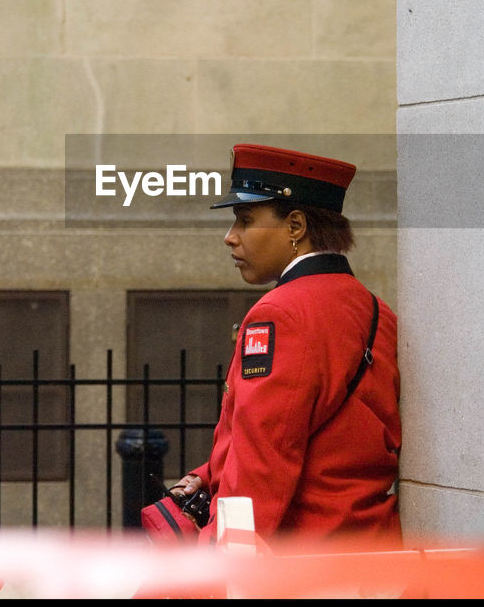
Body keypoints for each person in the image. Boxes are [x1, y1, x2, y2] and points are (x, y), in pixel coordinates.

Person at [168, 143, 402, 549]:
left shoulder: (279, 313)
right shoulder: (372, 307)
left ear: (295, 226)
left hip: (301, 562)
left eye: (244, 220)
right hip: (368, 550)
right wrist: (209, 473)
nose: (230, 238)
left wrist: (213, 569)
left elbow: (263, 463)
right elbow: (336, 435)